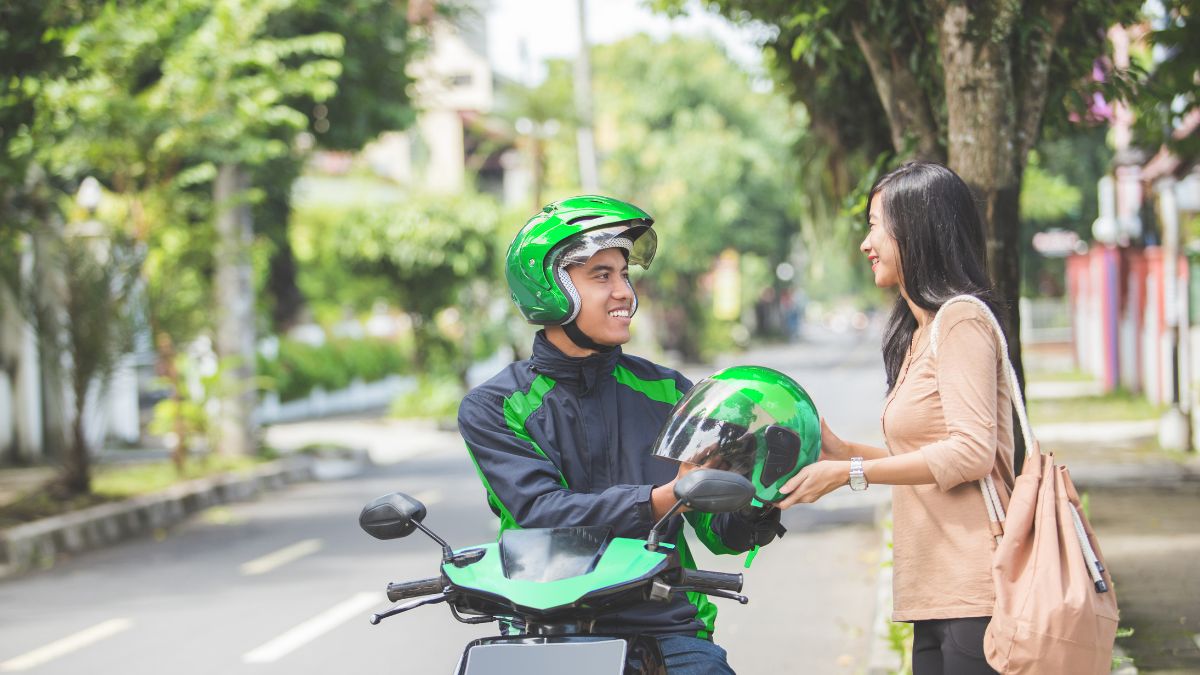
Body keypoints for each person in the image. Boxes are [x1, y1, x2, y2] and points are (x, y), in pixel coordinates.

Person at [457, 195, 786, 674]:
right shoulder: (495, 406)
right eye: (601, 276)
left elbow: (720, 533)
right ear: (549, 287)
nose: (624, 293)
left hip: (663, 623)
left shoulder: (669, 391)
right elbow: (541, 513)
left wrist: (763, 493)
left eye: (625, 275)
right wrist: (665, 497)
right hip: (541, 626)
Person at [774, 162, 1016, 675]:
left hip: (978, 591)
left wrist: (850, 474)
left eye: (875, 224)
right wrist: (842, 451)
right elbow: (928, 462)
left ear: (919, 230)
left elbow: (972, 453)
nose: (866, 242)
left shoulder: (962, 320)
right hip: (936, 592)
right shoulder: (919, 330)